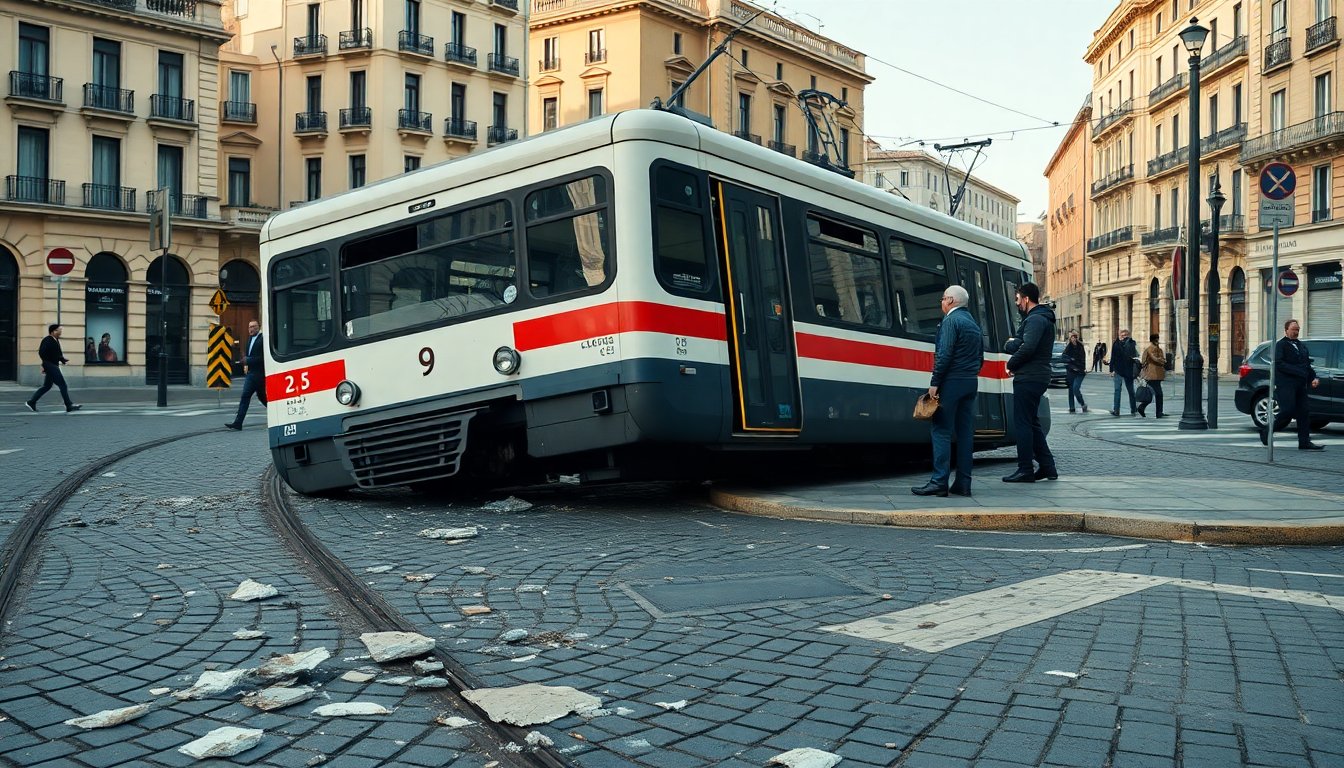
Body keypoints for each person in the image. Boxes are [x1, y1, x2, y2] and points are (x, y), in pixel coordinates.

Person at [911, 285, 983, 498]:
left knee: (941, 429)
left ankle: (939, 482)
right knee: (964, 434)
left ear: (951, 300)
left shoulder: (951, 321)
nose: (941, 302)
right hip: (970, 383)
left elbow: (944, 354)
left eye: (943, 298)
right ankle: (963, 483)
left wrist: (935, 383)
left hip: (951, 382)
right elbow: (980, 357)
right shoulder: (973, 323)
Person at [1002, 282, 1057, 483]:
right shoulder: (1043, 318)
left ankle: (1025, 468)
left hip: (1030, 376)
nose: (1016, 304)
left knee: (1023, 423)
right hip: (1038, 375)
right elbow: (1023, 343)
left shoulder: (1034, 320)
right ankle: (1048, 467)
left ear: (1025, 299)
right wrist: (1017, 343)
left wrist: (1011, 363)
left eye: (1017, 299)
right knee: (1032, 422)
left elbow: (1028, 346)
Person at [1261, 319, 1325, 450]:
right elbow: (1279, 364)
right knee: (1287, 411)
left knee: (1304, 412)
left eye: (1297, 329)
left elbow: (1307, 365)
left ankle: (1304, 442)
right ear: (1286, 330)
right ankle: (1267, 430)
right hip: (1286, 385)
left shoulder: (1301, 346)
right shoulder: (1280, 345)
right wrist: (1299, 371)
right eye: (1293, 329)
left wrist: (1313, 377)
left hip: (1300, 385)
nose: (1296, 332)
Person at [25, 324, 82, 413]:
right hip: (51, 365)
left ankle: (31, 402)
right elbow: (42, 352)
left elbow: (56, 354)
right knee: (63, 385)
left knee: (47, 386)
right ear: (53, 331)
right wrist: (45, 365)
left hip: (52, 365)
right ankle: (68, 405)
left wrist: (62, 359)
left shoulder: (56, 340)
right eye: (59, 330)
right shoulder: (47, 340)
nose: (60, 332)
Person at [225, 319, 267, 430]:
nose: (251, 329)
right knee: (255, 397)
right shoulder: (249, 340)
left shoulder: (262, 339)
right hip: (251, 373)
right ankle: (238, 423)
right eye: (249, 327)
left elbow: (263, 358)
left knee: (251, 396)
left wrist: (248, 360)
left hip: (259, 374)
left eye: (254, 326)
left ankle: (238, 423)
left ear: (258, 327)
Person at [1108, 329, 1139, 416]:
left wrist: (1128, 343)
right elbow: (1113, 357)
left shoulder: (1131, 343)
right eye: (1122, 335)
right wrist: (1111, 370)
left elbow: (1135, 355)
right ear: (1119, 335)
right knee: (1118, 390)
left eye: (1125, 335)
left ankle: (1133, 409)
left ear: (1128, 335)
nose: (1123, 336)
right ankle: (1116, 410)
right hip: (1118, 370)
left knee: (1130, 391)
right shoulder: (1116, 343)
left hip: (1128, 371)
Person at [1138, 333, 1166, 418]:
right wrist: (1162, 361)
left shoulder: (1159, 349)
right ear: (1152, 340)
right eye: (1156, 339)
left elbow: (1162, 358)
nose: (1157, 340)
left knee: (1154, 393)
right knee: (1157, 394)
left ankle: (1143, 408)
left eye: (1158, 338)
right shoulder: (1150, 349)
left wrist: (1162, 360)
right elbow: (1155, 359)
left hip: (1158, 374)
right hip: (1151, 374)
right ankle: (1158, 412)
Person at [1064, 331, 1088, 413]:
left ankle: (1082, 403)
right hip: (1071, 371)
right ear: (1070, 338)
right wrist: (1071, 362)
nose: (1074, 339)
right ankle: (1072, 407)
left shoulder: (1080, 346)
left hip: (1079, 371)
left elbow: (1083, 358)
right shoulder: (1068, 347)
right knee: (1071, 389)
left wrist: (1081, 367)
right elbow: (1064, 358)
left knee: (1076, 388)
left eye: (1075, 337)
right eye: (1072, 337)